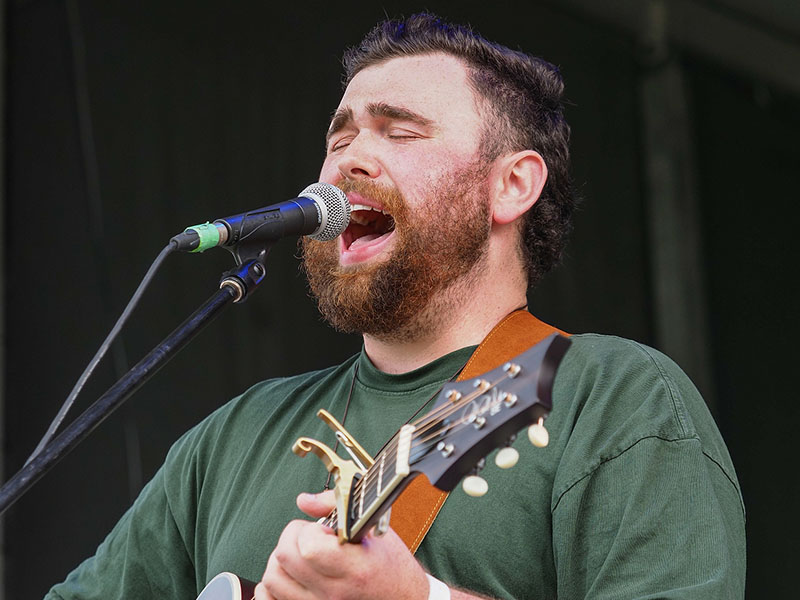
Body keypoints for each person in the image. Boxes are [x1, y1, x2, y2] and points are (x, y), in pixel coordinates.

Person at [46, 13, 745, 600]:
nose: (347, 160)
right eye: (340, 135)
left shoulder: (612, 398)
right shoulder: (231, 439)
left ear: (511, 186)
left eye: (399, 131)